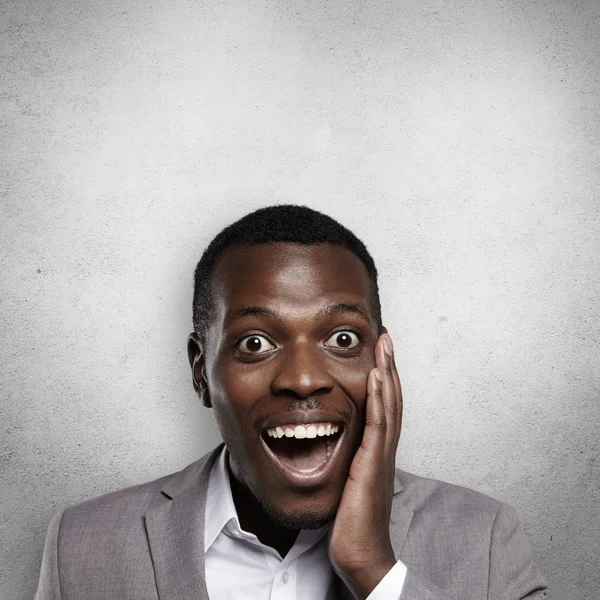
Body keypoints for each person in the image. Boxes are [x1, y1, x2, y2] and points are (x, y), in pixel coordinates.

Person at [35, 205, 548, 599]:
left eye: (343, 339)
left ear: (383, 361)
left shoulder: (485, 539)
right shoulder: (82, 544)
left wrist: (375, 571)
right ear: (199, 370)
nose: (303, 379)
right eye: (255, 343)